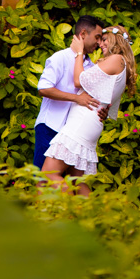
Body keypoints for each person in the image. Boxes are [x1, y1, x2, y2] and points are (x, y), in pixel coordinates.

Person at [41, 25, 137, 197]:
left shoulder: (116, 59)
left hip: (81, 124)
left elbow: (79, 81)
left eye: (105, 40)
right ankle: (91, 213)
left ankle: (70, 211)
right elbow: (106, 99)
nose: (101, 44)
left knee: (49, 174)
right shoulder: (121, 63)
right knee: (76, 181)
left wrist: (79, 52)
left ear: (116, 40)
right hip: (88, 122)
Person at [33, 15, 109, 170]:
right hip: (50, 127)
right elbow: (44, 88)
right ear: (83, 34)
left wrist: (103, 111)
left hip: (72, 135)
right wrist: (76, 98)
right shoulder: (60, 58)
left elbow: (93, 98)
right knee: (43, 179)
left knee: (67, 181)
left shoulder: (91, 67)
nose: (99, 43)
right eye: (97, 37)